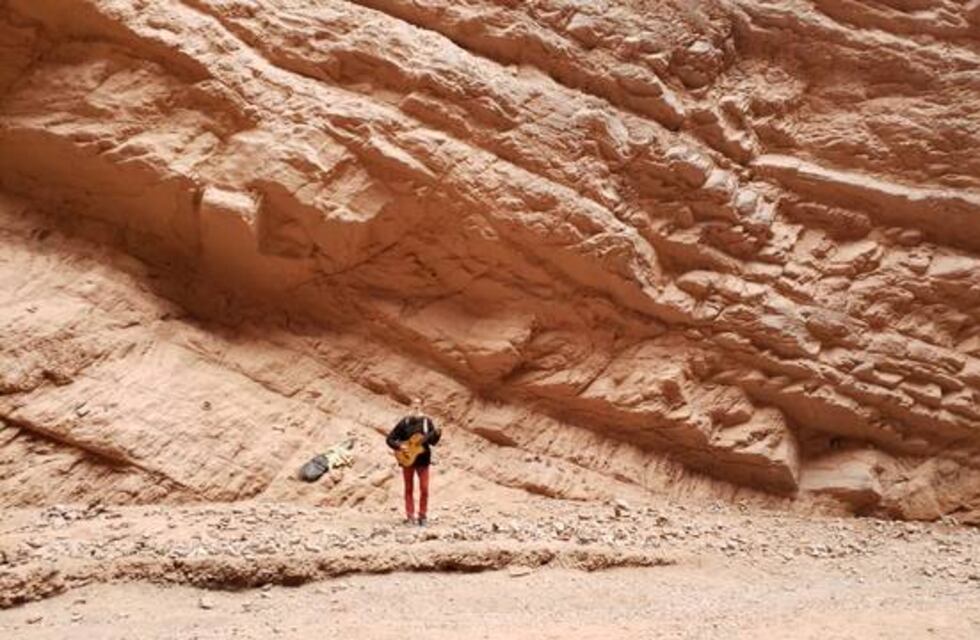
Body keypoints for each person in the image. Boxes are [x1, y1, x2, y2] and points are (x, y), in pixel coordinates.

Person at [386, 397, 441, 526]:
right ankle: (410, 517)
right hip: (407, 460)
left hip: (423, 460)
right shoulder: (405, 422)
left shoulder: (427, 422)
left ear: (422, 406)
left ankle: (422, 516)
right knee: (409, 489)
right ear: (410, 406)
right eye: (414, 404)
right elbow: (390, 439)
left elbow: (432, 442)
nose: (416, 407)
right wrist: (400, 446)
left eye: (418, 404)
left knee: (424, 489)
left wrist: (437, 434)